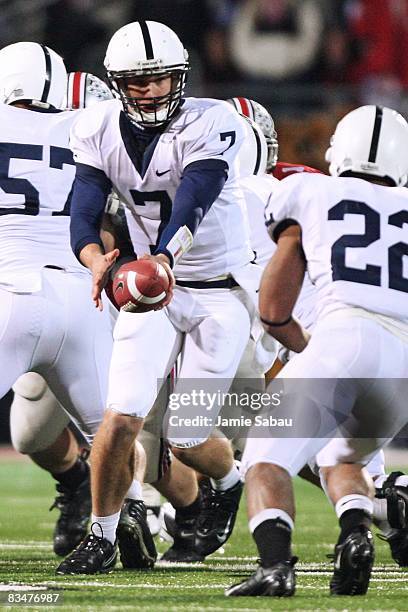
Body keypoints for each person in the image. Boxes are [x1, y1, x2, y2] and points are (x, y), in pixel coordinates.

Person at [57, 20, 261, 575]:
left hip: (217, 291)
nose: (148, 89)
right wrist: (97, 259)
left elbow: (194, 198)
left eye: (159, 78)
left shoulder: (214, 120)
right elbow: (85, 204)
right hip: (152, 294)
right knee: (118, 417)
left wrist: (164, 257)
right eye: (136, 81)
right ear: (116, 84)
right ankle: (101, 532)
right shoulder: (97, 126)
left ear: (181, 77)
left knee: (188, 436)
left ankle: (229, 477)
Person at [226, 104, 408, 597]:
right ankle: (355, 532)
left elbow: (274, 310)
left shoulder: (309, 192)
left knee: (263, 459)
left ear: (336, 151)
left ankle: (275, 567)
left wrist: (310, 351)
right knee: (344, 459)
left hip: (342, 334)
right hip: (401, 363)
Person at [0, 53, 155, 572]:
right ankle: (129, 517)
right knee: (109, 432)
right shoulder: (90, 125)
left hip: (10, 292)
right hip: (81, 297)